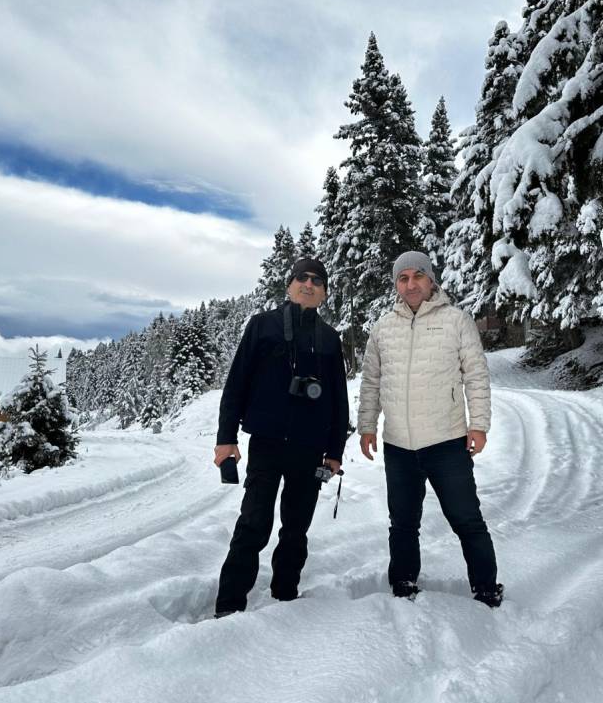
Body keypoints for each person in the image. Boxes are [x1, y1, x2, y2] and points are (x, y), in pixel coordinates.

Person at [357, 250, 502, 607]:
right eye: (403, 278)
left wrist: (479, 424)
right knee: (403, 523)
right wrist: (367, 426)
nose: (410, 284)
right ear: (396, 285)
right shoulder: (383, 328)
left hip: (447, 442)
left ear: (431, 280)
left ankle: (486, 588)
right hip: (398, 446)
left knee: (466, 519)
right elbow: (371, 381)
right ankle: (403, 584)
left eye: (417, 276)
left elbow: (476, 374)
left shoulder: (455, 320)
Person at [213, 258, 349, 617]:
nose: (309, 284)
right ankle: (229, 605)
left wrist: (335, 451)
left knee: (296, 528)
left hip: (310, 449)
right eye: (302, 278)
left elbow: (338, 400)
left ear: (324, 293)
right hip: (267, 443)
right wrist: (226, 438)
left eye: (317, 280)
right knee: (254, 523)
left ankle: (285, 595)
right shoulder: (263, 326)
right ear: (289, 286)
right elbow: (236, 384)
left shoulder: (331, 339)